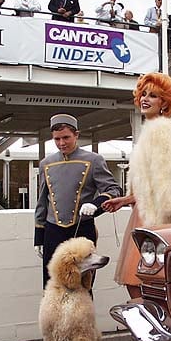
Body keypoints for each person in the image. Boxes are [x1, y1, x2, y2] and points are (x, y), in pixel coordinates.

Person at [101, 73, 171, 341]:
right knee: (140, 286)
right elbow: (149, 182)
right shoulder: (151, 130)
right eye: (143, 94)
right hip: (144, 214)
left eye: (153, 96)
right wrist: (126, 199)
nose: (145, 99)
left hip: (156, 220)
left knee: (145, 286)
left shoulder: (163, 130)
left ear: (165, 103)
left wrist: (164, 226)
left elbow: (168, 181)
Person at [34, 114, 122, 288]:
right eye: (57, 139)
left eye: (66, 137)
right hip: (53, 231)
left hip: (82, 228)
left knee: (83, 283)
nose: (61, 143)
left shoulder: (94, 160)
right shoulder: (46, 163)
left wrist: (96, 205)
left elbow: (114, 190)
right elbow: (42, 201)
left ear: (76, 135)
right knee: (52, 284)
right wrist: (39, 237)